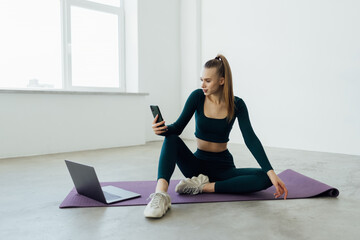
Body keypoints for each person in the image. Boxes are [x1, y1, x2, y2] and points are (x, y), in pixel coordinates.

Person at [144, 54, 288, 218]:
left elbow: (250, 139)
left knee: (264, 178)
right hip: (196, 167)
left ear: (221, 80)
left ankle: (203, 187)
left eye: (207, 80)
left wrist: (271, 172)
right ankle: (160, 195)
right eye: (201, 80)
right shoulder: (197, 97)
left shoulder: (237, 104)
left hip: (223, 168)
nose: (202, 85)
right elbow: (177, 128)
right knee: (171, 139)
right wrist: (162, 129)